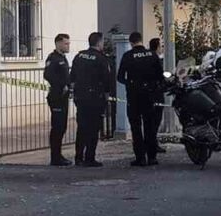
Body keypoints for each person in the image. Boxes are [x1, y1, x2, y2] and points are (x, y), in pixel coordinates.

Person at [118, 31, 164, 166]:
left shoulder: (128, 56)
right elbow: (160, 75)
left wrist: (130, 84)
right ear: (141, 40)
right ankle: (152, 157)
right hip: (150, 95)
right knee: (150, 126)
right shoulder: (152, 55)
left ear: (131, 43)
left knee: (136, 127)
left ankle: (140, 158)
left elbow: (120, 77)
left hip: (134, 97)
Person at [70, 32, 109, 167]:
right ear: (99, 43)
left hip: (81, 97)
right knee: (93, 129)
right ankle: (89, 158)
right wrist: (106, 96)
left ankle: (78, 157)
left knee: (82, 128)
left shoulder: (79, 56)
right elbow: (106, 80)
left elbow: (72, 77)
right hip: (95, 98)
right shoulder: (101, 59)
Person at [43, 33, 72, 166]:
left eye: (68, 43)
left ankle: (58, 155)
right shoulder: (53, 58)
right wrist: (61, 86)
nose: (68, 46)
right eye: (66, 43)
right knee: (57, 127)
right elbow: (47, 75)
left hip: (63, 97)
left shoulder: (62, 58)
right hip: (56, 97)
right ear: (58, 43)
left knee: (62, 127)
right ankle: (55, 157)